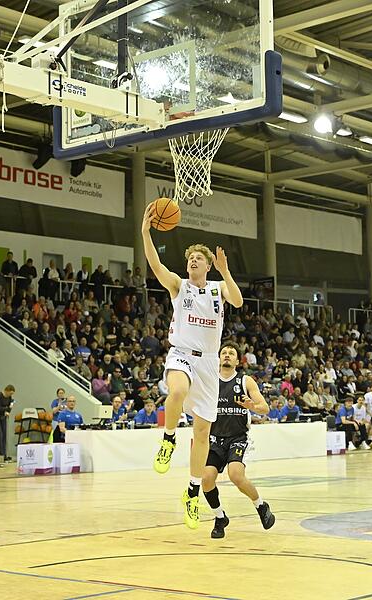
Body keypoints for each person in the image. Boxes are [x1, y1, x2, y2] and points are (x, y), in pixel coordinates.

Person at [142, 201, 243, 530]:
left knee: (202, 434)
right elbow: (156, 265)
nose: (192, 261)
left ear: (208, 266)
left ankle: (191, 491)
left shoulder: (217, 288)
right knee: (177, 391)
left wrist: (226, 272)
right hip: (182, 353)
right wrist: (146, 233)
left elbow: (238, 300)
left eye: (198, 258)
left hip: (209, 364)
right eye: (190, 259)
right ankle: (168, 439)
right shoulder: (178, 285)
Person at [202, 343, 275, 539]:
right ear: (218, 358)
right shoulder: (210, 381)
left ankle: (261, 505)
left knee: (235, 475)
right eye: (224, 353)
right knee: (206, 479)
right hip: (215, 438)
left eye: (231, 353)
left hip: (238, 437)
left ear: (237, 361)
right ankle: (220, 517)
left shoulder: (245, 381)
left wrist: (252, 406)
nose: (227, 355)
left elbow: (265, 408)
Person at [0, 385, 15, 461]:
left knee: (5, 435)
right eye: (10, 393)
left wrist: (8, 409)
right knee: (0, 434)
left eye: (12, 394)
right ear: (6, 391)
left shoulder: (9, 398)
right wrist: (5, 409)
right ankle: (1, 454)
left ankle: (5, 455)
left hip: (3, 417)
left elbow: (9, 408)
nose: (10, 395)